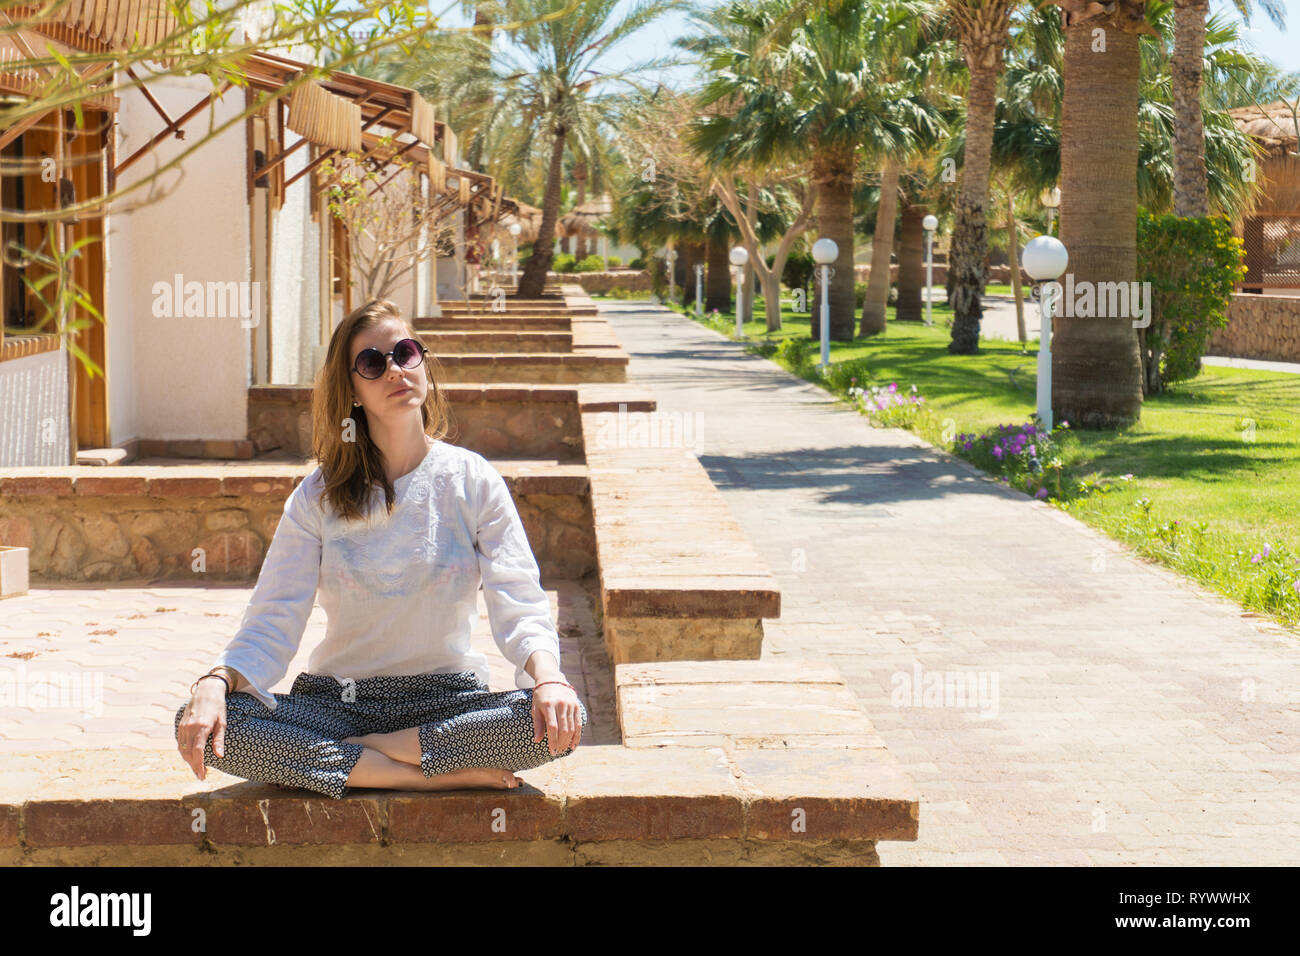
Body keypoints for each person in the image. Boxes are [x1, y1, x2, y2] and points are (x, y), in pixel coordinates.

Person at [174, 298, 586, 799]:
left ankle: (358, 756)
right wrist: (215, 683)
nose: (394, 370)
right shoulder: (318, 496)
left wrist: (548, 680)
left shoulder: (471, 479)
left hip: (447, 701)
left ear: (423, 365)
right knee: (215, 720)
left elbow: (517, 596)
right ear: (351, 390)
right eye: (373, 362)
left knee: (564, 718)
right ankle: (419, 772)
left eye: (406, 353)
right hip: (336, 702)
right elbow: (273, 617)